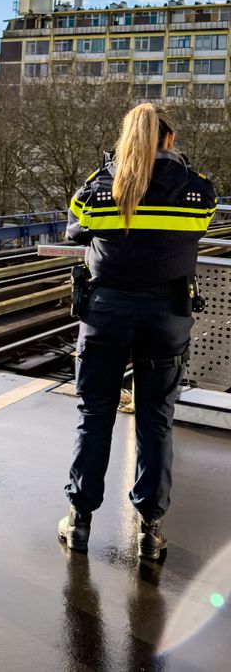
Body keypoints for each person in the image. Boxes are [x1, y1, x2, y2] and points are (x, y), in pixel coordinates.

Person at [59, 103, 216, 560]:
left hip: (105, 312)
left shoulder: (99, 186)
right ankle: (150, 529)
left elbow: (75, 229)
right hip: (166, 314)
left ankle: (80, 521)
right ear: (169, 139)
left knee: (94, 417)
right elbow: (196, 228)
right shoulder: (196, 189)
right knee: (155, 421)